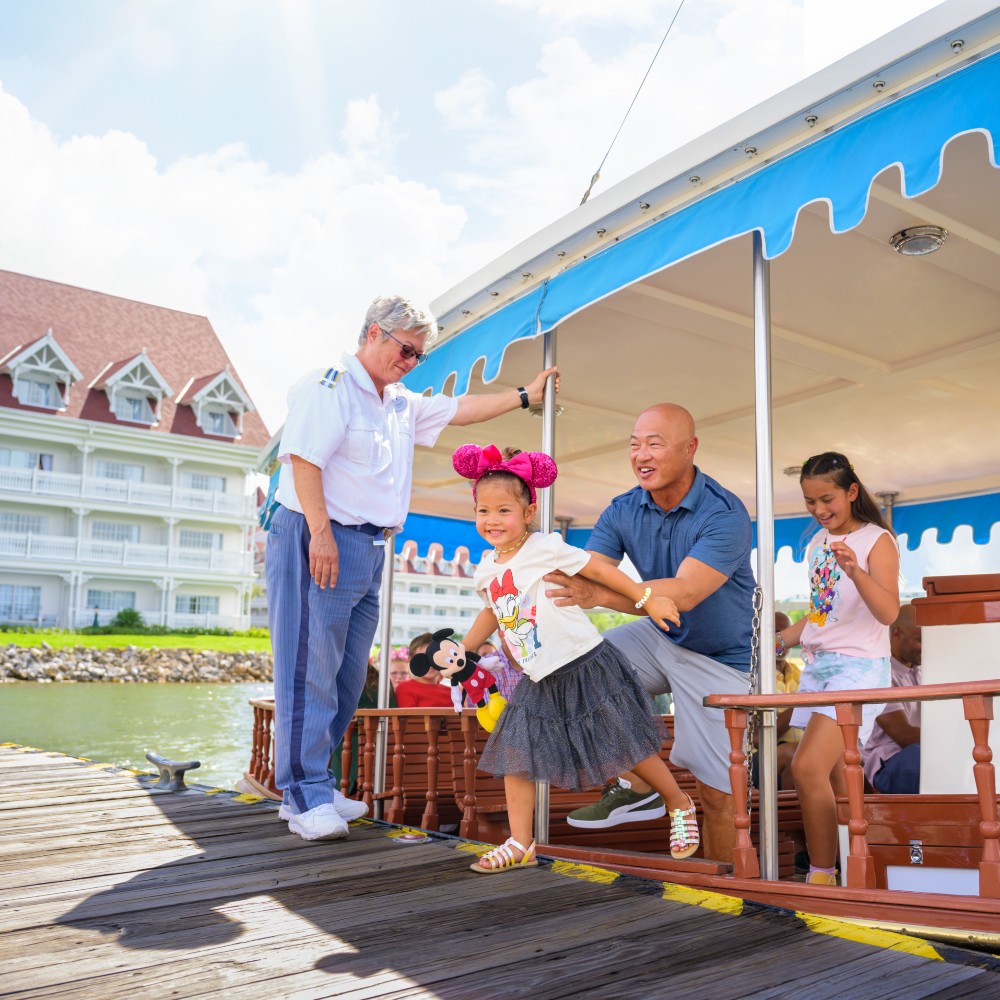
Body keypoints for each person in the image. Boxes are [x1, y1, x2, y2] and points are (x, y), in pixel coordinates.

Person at [266, 294, 559, 841]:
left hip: (370, 546)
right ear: (374, 333)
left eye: (419, 356)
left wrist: (525, 396)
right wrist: (322, 535)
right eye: (406, 351)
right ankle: (302, 794)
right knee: (309, 668)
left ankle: (317, 784)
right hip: (318, 533)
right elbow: (302, 460)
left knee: (348, 673)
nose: (411, 362)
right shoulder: (328, 385)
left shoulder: (398, 401)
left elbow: (461, 409)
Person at [453, 443, 699, 873]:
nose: (492, 520)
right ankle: (520, 842)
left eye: (503, 511)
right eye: (483, 511)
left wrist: (648, 598)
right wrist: (466, 650)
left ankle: (679, 802)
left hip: (583, 662)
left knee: (623, 742)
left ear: (527, 513)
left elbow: (599, 570)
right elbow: (492, 611)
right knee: (516, 752)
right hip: (538, 674)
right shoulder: (486, 568)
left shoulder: (544, 546)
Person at [544, 403, 755, 863]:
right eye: (635, 444)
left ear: (690, 449)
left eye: (655, 444)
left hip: (722, 658)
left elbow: (684, 592)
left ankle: (733, 898)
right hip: (663, 636)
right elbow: (589, 574)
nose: (642, 454)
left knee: (719, 798)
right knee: (574, 670)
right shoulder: (623, 508)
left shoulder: (726, 513)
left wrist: (599, 595)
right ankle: (641, 786)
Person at [778, 451, 899, 885]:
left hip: (858, 668)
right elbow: (821, 613)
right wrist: (779, 640)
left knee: (805, 767)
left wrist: (855, 571)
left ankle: (822, 875)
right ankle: (864, 866)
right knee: (831, 776)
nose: (819, 510)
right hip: (818, 668)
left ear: (851, 492)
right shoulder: (815, 545)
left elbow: (887, 612)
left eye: (826, 499)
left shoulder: (875, 541)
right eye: (810, 502)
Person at [863, 603, 922, 794]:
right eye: (919, 640)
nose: (926, 647)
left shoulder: (923, 669)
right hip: (889, 762)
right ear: (896, 634)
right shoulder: (878, 674)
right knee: (922, 759)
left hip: (922, 749)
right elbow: (905, 736)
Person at [395, 631, 455, 708]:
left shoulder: (452, 692)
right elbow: (409, 719)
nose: (429, 663)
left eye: (434, 657)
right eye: (423, 657)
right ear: (411, 660)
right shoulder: (405, 687)